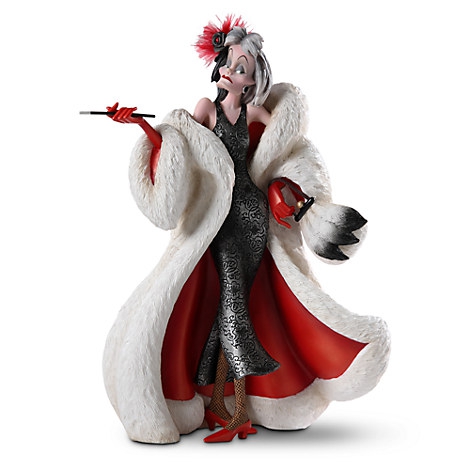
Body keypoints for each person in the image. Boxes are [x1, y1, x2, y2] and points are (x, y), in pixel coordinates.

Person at [102, 16, 390, 444]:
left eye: (242, 68)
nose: (230, 71)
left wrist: (287, 190)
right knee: (225, 305)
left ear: (253, 80)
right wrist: (143, 127)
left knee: (235, 305)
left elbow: (283, 146)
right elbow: (178, 146)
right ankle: (222, 403)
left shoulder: (256, 112)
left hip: (252, 220)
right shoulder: (205, 108)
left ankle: (238, 410)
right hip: (217, 222)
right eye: (229, 62)